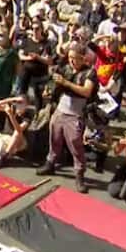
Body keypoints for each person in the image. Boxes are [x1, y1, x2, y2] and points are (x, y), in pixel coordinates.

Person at [36, 43, 97, 193]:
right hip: (60, 110)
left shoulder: (89, 73)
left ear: (83, 59)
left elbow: (86, 91)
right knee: (54, 138)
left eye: (75, 58)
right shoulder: (65, 68)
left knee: (75, 144)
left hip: (75, 113)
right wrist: (48, 91)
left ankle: (79, 174)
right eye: (70, 58)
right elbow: (53, 83)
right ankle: (50, 163)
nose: (71, 61)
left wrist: (66, 83)